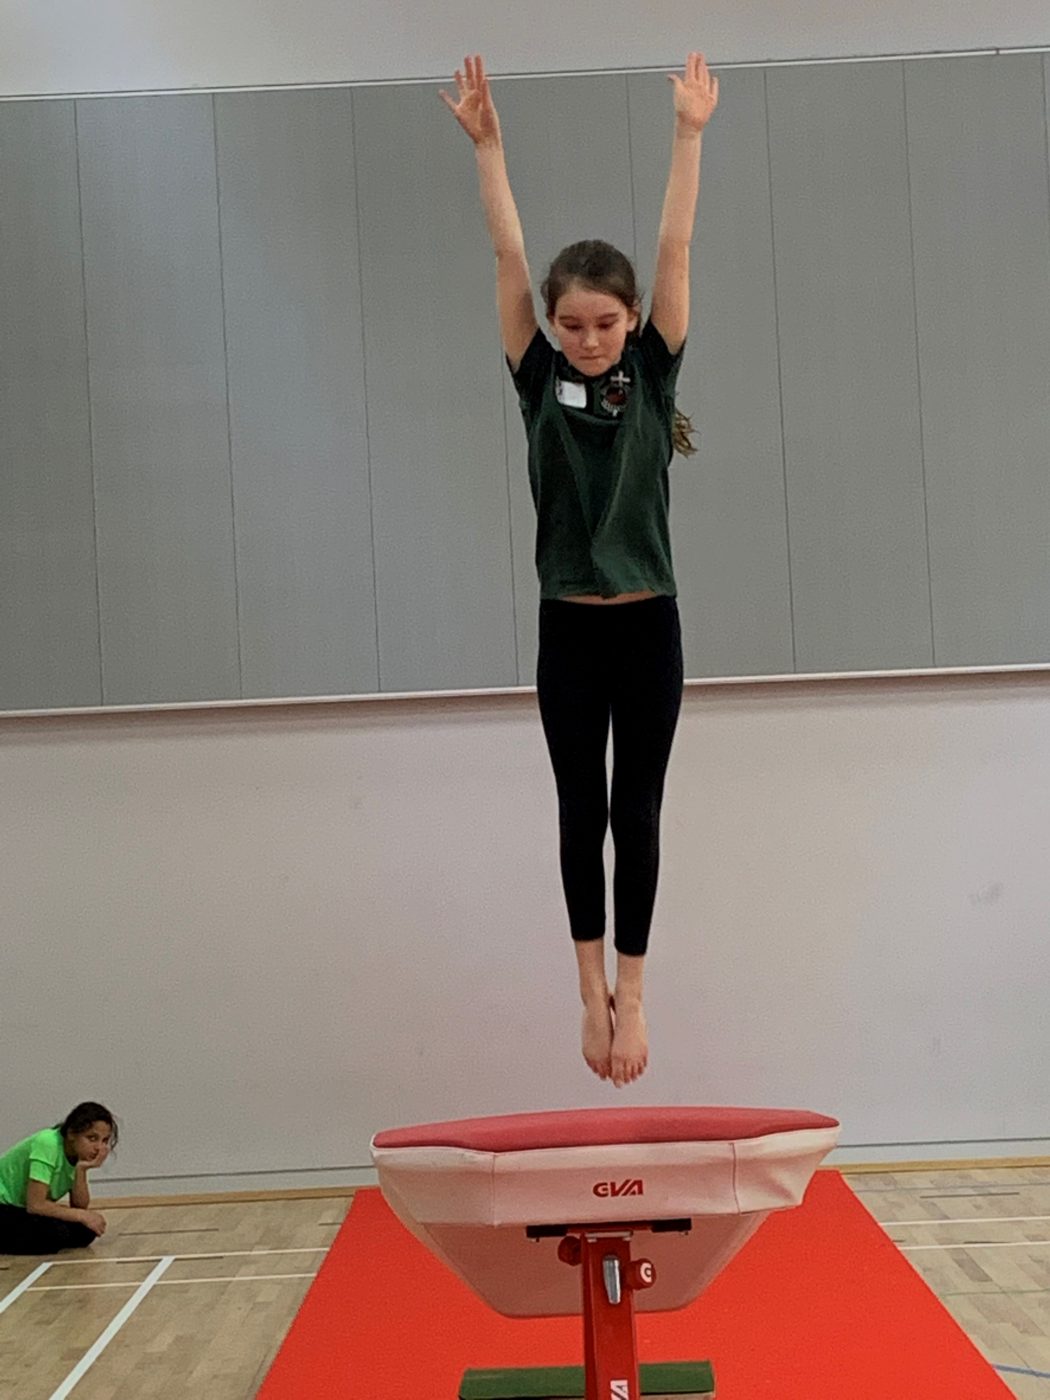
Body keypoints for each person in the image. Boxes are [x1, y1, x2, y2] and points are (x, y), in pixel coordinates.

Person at [441, 53, 718, 1088]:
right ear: (552, 327)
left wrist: (688, 133)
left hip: (648, 625)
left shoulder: (653, 370)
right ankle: (585, 990)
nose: (590, 339)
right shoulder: (535, 377)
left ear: (633, 320)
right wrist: (489, 149)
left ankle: (634, 994)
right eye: (573, 325)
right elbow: (508, 252)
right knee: (578, 808)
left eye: (606, 323)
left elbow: (675, 243)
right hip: (570, 627)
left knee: (635, 809)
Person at [0, 1102, 116, 1254]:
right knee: (54, 1233)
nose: (99, 1147)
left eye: (104, 1141)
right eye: (92, 1138)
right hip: (4, 1205)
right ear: (71, 1134)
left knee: (85, 1231)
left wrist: (81, 1170)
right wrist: (82, 1215)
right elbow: (36, 1205)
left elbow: (79, 1206)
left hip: (21, 1210)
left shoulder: (77, 1156)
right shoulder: (48, 1143)